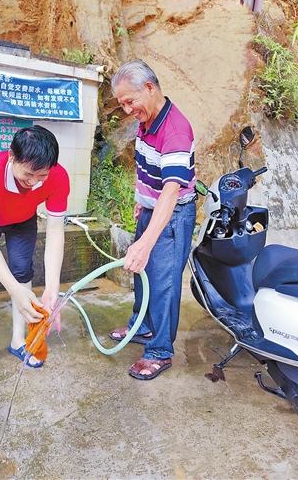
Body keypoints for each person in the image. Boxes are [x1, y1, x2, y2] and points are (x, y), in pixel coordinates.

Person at [109, 60, 197, 380]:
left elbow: (171, 192)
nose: (127, 110)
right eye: (122, 104)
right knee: (141, 276)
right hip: (151, 208)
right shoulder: (148, 118)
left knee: (163, 283)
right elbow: (147, 165)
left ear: (149, 88)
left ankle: (160, 351)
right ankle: (143, 327)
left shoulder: (175, 130)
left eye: (129, 101)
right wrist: (140, 200)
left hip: (173, 215)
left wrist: (146, 243)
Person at [0, 125, 70, 378]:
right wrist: (14, 290)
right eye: (28, 174)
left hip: (22, 219)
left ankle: (18, 340)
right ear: (12, 156)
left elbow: (55, 232)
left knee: (22, 271)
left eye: (41, 175)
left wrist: (52, 288)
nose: (33, 183)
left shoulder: (57, 176)